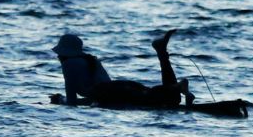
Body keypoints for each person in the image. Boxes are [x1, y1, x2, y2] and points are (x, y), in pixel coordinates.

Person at [52, 29, 194, 110]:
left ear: (64, 52)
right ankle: (162, 53)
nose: (58, 56)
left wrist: (60, 100)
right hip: (120, 87)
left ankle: (177, 86)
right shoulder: (90, 59)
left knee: (162, 99)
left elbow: (71, 102)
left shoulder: (68, 64)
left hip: (114, 93)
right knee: (166, 98)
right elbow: (97, 95)